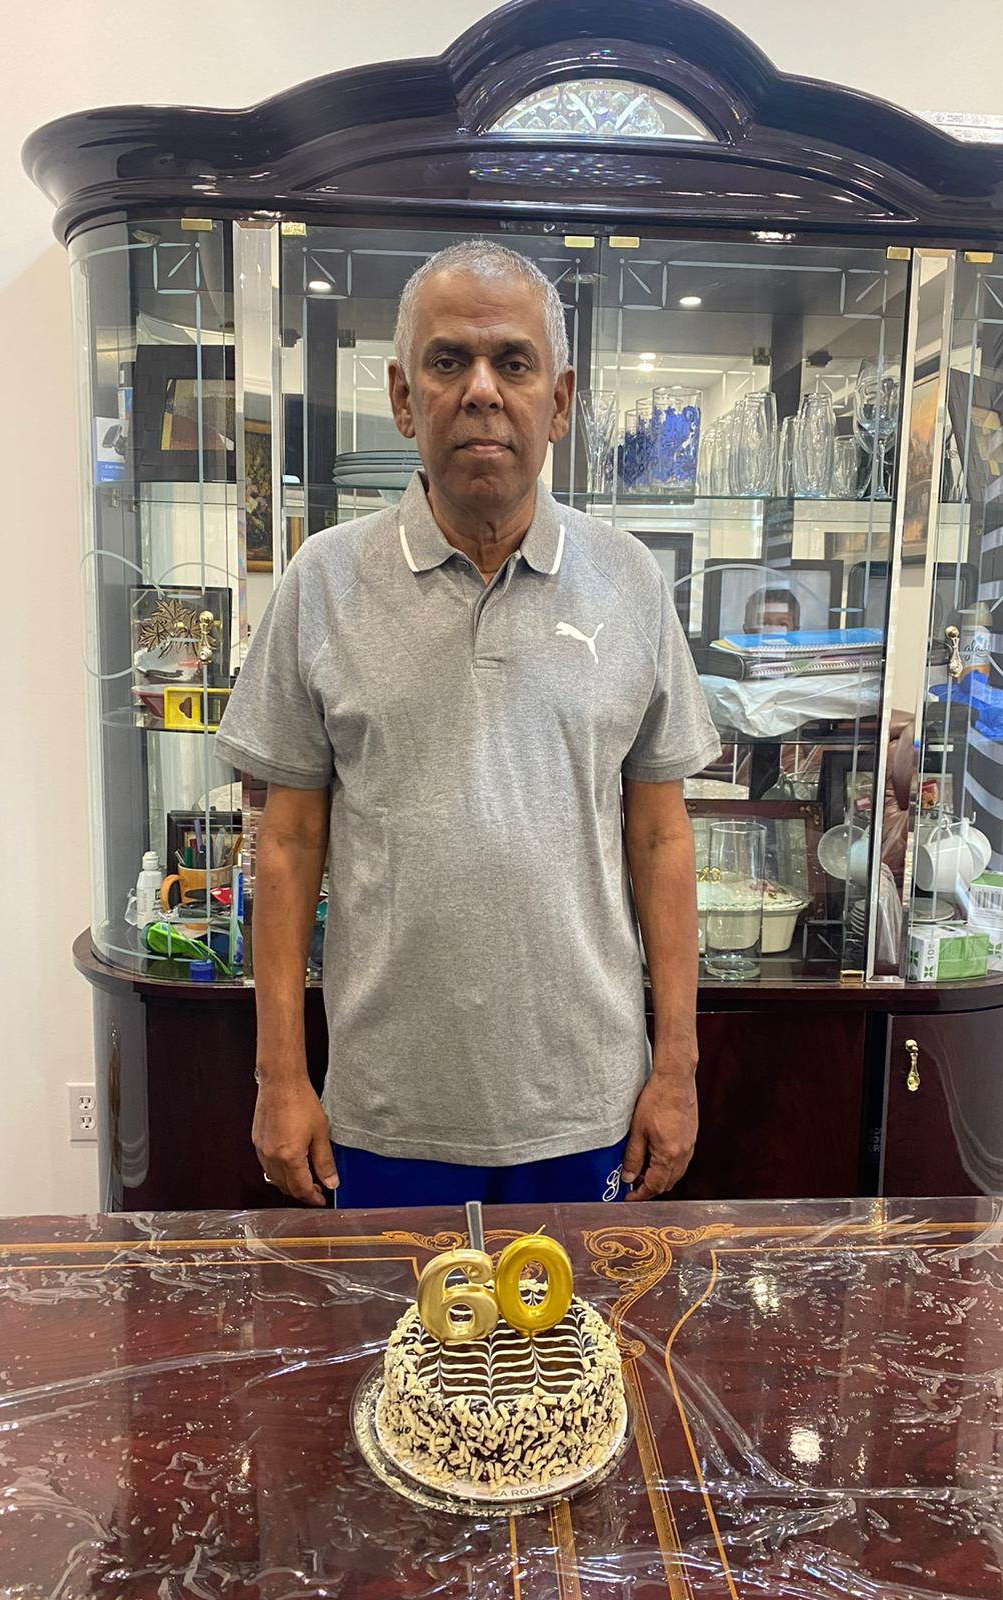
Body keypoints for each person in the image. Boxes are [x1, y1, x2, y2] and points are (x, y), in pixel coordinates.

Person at [215, 240, 721, 1210]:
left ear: (558, 403)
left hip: (588, 1108)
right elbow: (287, 841)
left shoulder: (630, 581)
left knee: (575, 1322)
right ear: (405, 399)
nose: (481, 390)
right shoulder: (323, 583)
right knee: (388, 1323)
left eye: (513, 362)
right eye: (448, 361)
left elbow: (661, 836)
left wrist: (677, 1068)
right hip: (385, 1114)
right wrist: (280, 1077)